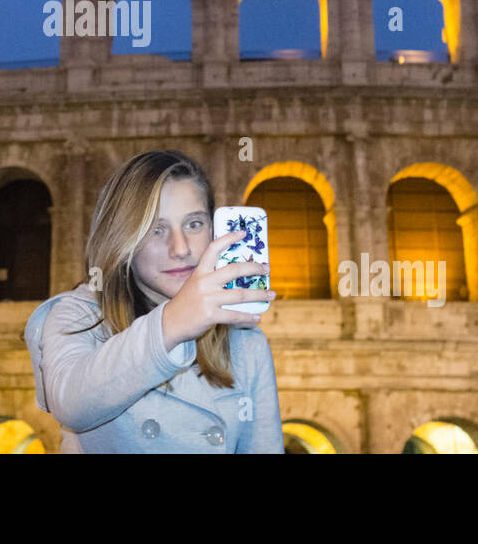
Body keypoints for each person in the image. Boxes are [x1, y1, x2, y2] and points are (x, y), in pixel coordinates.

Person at [23, 149, 283, 452]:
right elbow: (70, 403)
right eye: (155, 229)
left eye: (194, 224)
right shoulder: (79, 315)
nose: (180, 248)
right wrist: (172, 322)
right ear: (123, 239)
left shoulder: (244, 337)